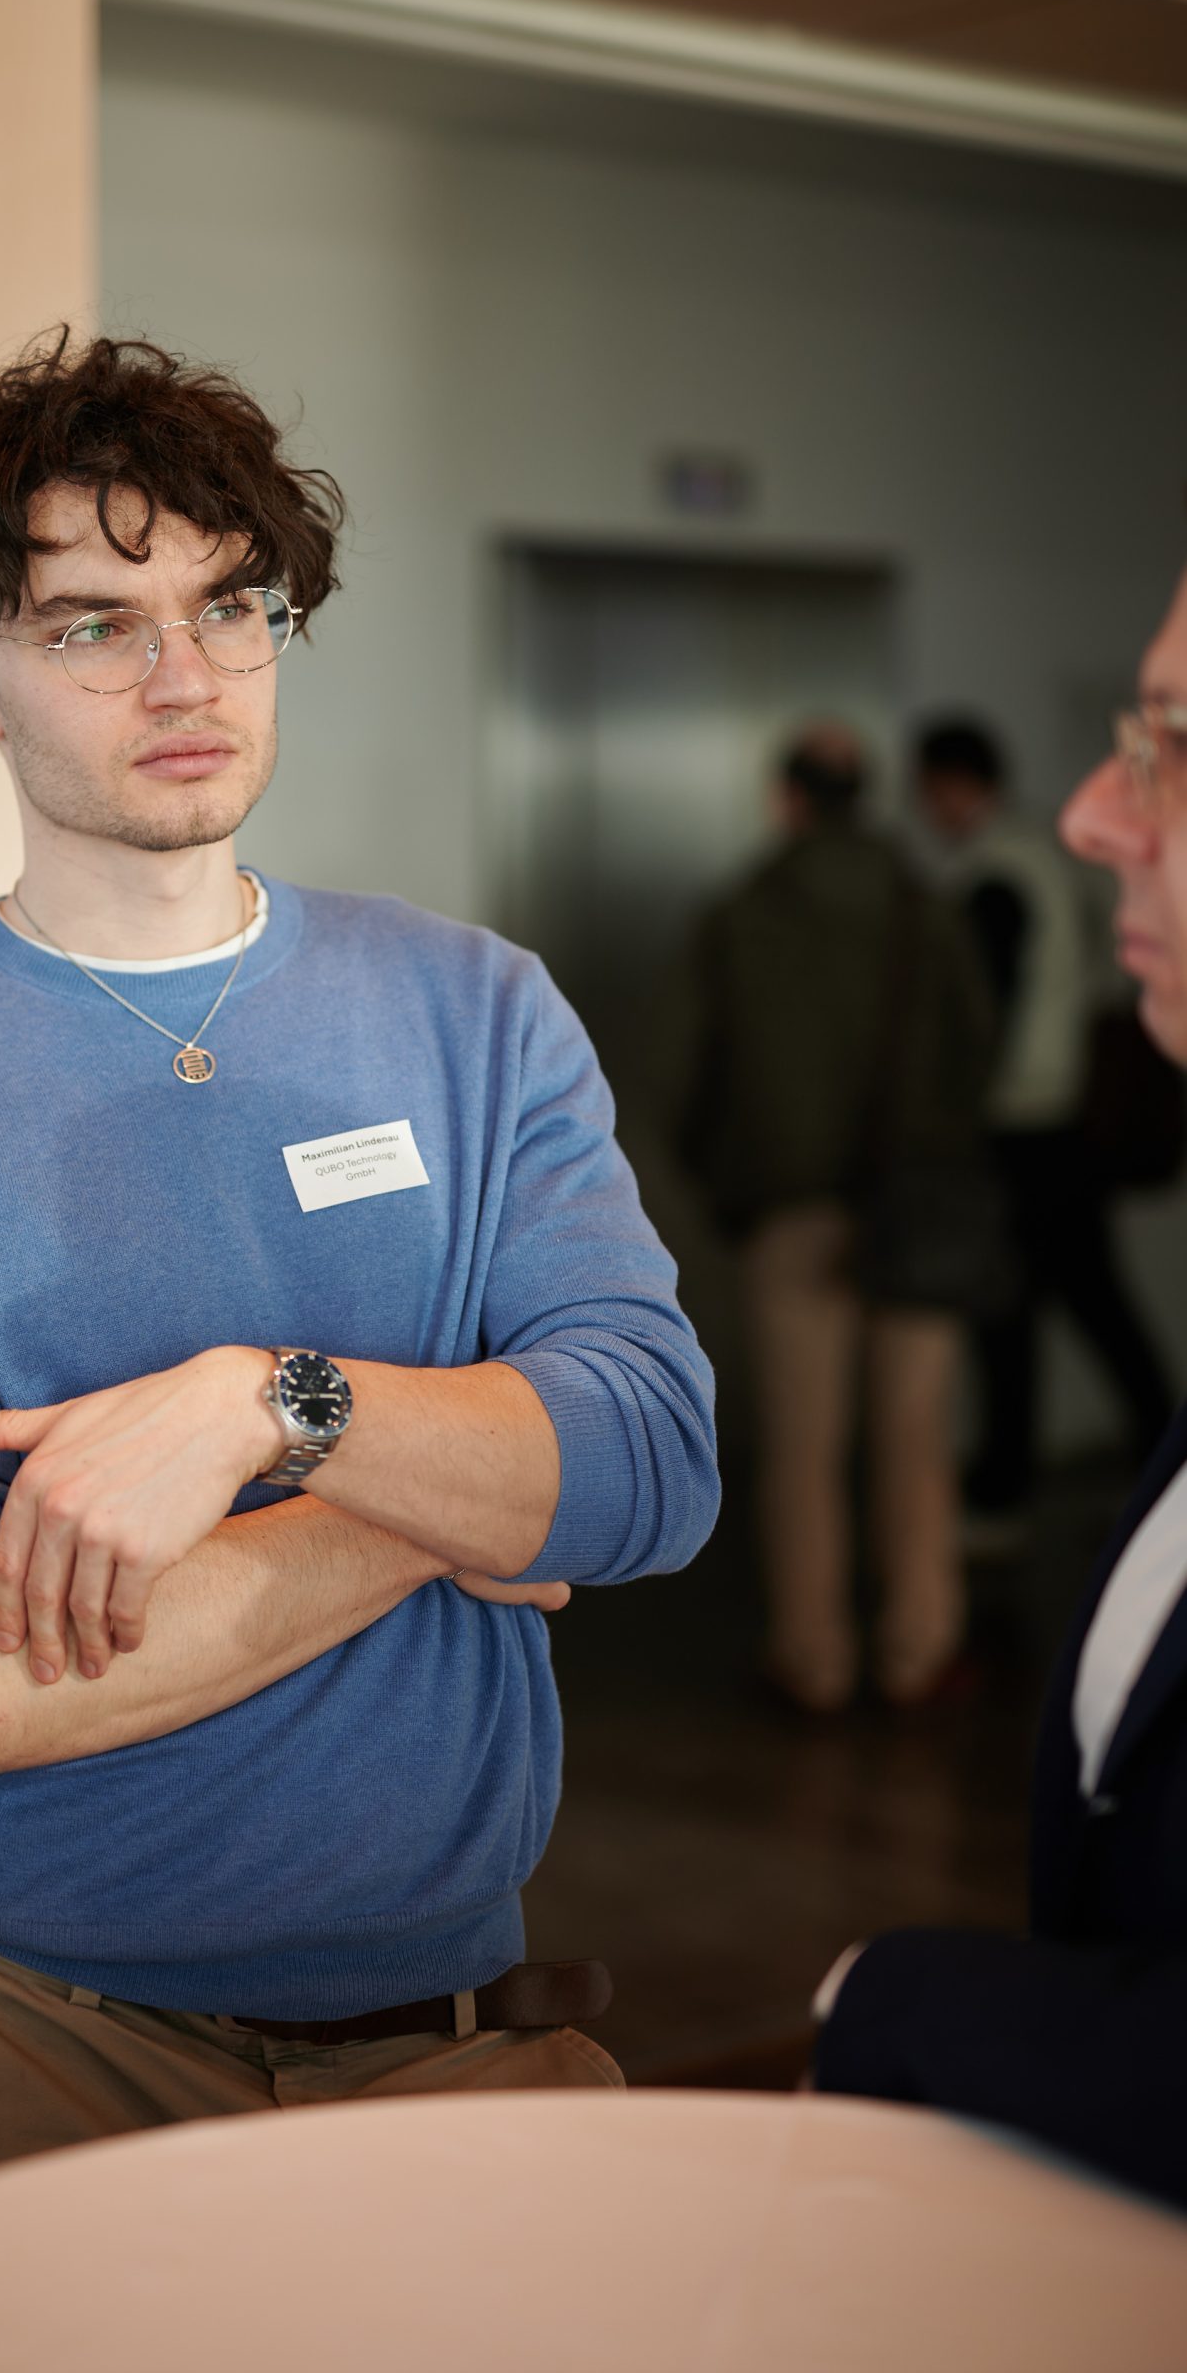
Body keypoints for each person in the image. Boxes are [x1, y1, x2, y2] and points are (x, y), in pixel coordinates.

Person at [0, 330, 719, 2196]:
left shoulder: (477, 1011)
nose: (184, 676)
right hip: (42, 2046)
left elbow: (650, 1472)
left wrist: (269, 1409)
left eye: (230, 607)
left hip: (461, 2036)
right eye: (93, 626)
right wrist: (450, 1503)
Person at [812, 568, 1187, 2212]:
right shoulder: (1005, 874)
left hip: (1020, 1145)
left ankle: (1003, 1492)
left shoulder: (985, 884)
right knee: (1069, 1327)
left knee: (1043, 1330)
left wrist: (890, 2002)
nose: (1098, 811)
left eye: (1170, 744)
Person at [665, 725, 993, 1712]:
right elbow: (975, 1042)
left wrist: (727, 1184)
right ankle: (917, 1651)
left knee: (800, 1450)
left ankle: (812, 1659)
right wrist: (937, 1144)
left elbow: (683, 1072)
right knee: (915, 1441)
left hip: (789, 1214)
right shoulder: (921, 905)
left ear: (787, 799)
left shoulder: (739, 914)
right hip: (917, 1212)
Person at [915, 717, 1173, 1506]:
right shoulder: (1044, 853)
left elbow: (984, 1014)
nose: (925, 810)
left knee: (1026, 1310)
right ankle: (1116, 1465)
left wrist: (948, 1107)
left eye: (926, 792)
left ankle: (1009, 1486)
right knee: (1083, 1303)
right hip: (1062, 1115)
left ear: (951, 784)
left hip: (1023, 1124)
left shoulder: (995, 872)